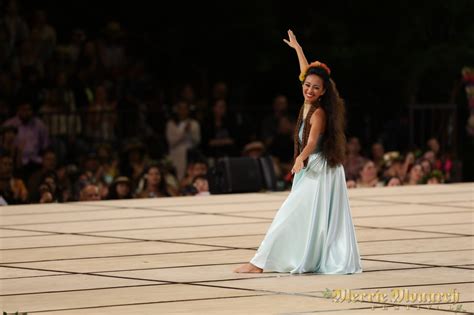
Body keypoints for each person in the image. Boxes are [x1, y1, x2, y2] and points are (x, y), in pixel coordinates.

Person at [234, 30, 362, 274]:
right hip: (312, 167)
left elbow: (312, 141)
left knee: (291, 214)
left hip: (319, 168)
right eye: (307, 85)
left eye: (315, 87)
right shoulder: (308, 103)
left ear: (323, 91)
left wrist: (299, 159)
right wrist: (298, 50)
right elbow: (306, 72)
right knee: (303, 217)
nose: (309, 90)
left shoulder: (320, 113)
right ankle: (270, 260)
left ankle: (259, 263)